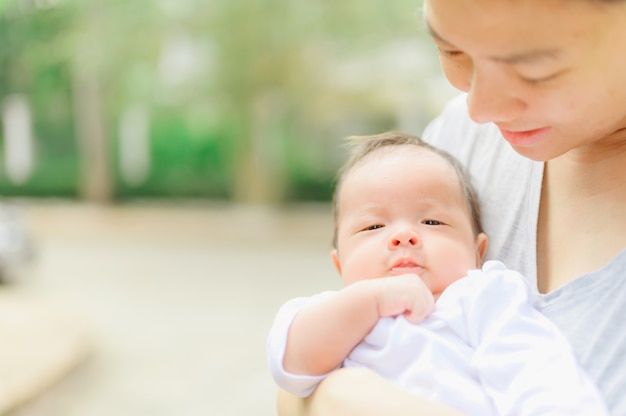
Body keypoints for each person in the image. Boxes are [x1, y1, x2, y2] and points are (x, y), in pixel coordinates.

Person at [278, 1, 626, 414]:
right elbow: (291, 376)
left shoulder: (484, 299)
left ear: (481, 249)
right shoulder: (463, 141)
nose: (481, 109)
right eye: (452, 51)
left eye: (535, 70)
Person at [267, 132, 607, 415]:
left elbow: (536, 372)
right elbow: (292, 368)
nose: (403, 235)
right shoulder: (339, 317)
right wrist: (372, 301)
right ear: (340, 265)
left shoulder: (482, 296)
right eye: (373, 226)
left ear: (478, 251)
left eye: (431, 222)